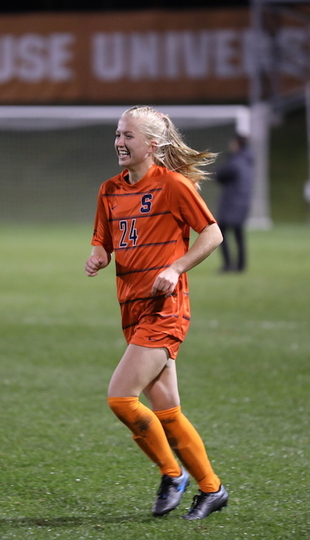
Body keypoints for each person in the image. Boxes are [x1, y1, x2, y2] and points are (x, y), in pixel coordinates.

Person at [84, 105, 228, 520]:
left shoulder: (174, 186)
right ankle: (211, 489)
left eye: (128, 136)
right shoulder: (109, 190)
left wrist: (175, 267)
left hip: (165, 310)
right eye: (117, 134)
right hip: (131, 308)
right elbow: (102, 240)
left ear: (152, 144)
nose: (119, 142)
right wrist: (97, 256)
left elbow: (213, 233)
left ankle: (172, 474)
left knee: (121, 398)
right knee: (167, 411)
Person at [215, 134, 253, 273]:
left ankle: (228, 265)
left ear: (237, 144)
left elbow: (220, 175)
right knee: (238, 233)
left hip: (232, 203)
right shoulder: (248, 160)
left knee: (221, 232)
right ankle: (241, 265)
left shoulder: (235, 161)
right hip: (243, 202)